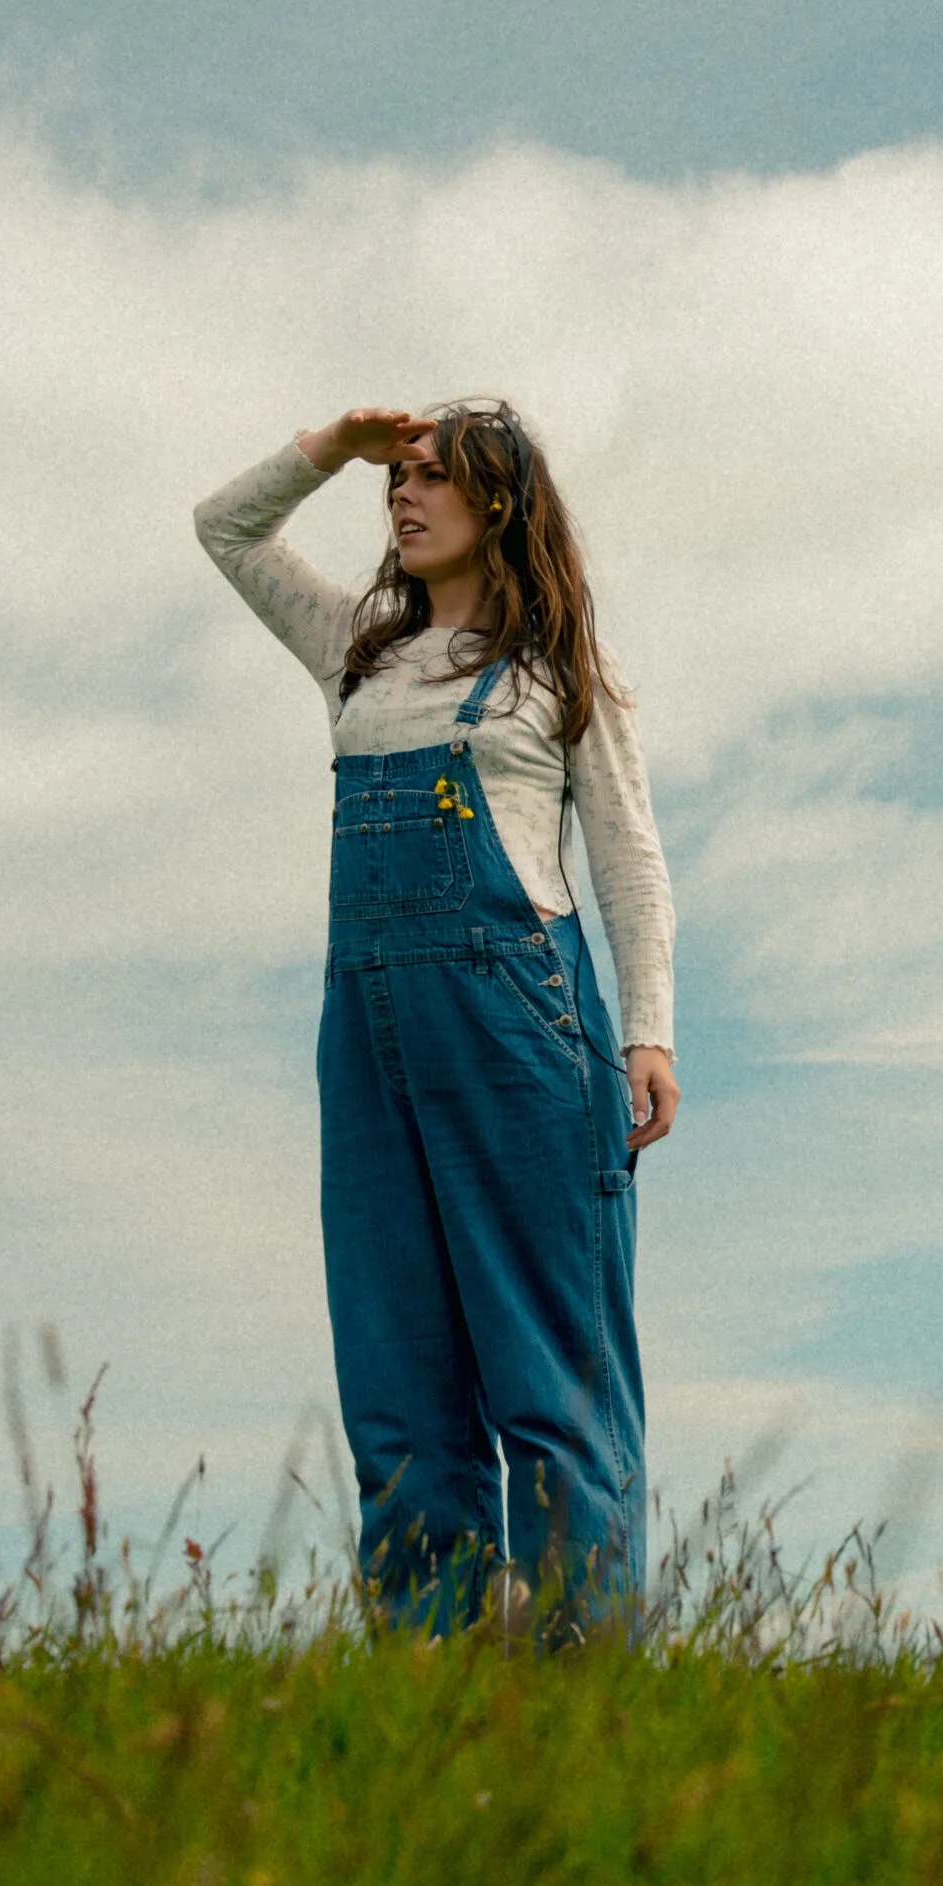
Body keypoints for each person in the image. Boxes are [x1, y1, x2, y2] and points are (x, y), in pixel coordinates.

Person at [195, 402, 677, 1637]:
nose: (401, 498)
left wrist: (650, 1034)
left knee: (548, 1370)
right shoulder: (360, 648)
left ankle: (584, 1676)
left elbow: (626, 858)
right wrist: (329, 445)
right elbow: (227, 529)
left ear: (499, 505)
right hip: (365, 1034)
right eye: (393, 482)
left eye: (430, 480)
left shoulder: (558, 676)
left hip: (518, 1024)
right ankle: (436, 1667)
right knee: (396, 1371)